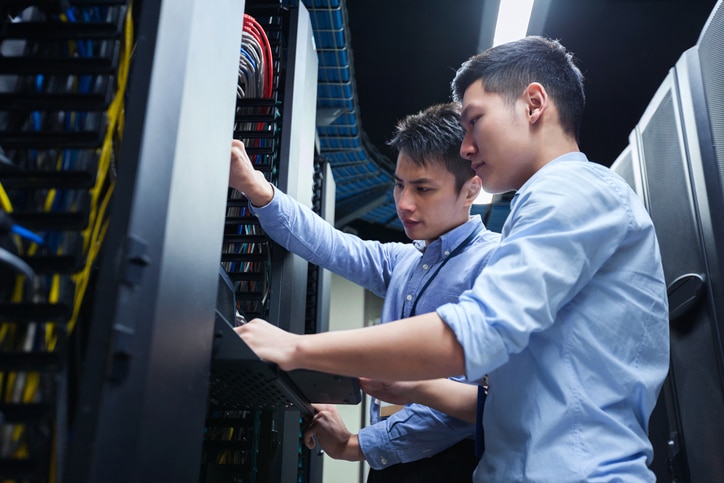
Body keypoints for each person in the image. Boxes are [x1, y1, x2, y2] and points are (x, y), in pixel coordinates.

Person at [236, 35, 670, 482]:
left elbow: (472, 333)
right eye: (399, 186)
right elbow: (506, 396)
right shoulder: (523, 216)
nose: (466, 146)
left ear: (534, 104)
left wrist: (294, 348)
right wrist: (257, 190)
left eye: (474, 120)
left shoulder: (572, 193)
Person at [229, 102, 501, 482]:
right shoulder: (404, 262)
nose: (405, 203)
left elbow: (477, 404)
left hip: (450, 468)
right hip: (390, 467)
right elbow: (328, 244)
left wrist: (358, 445)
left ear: (472, 188)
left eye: (423, 188)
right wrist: (255, 188)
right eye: (399, 184)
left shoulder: (496, 265)